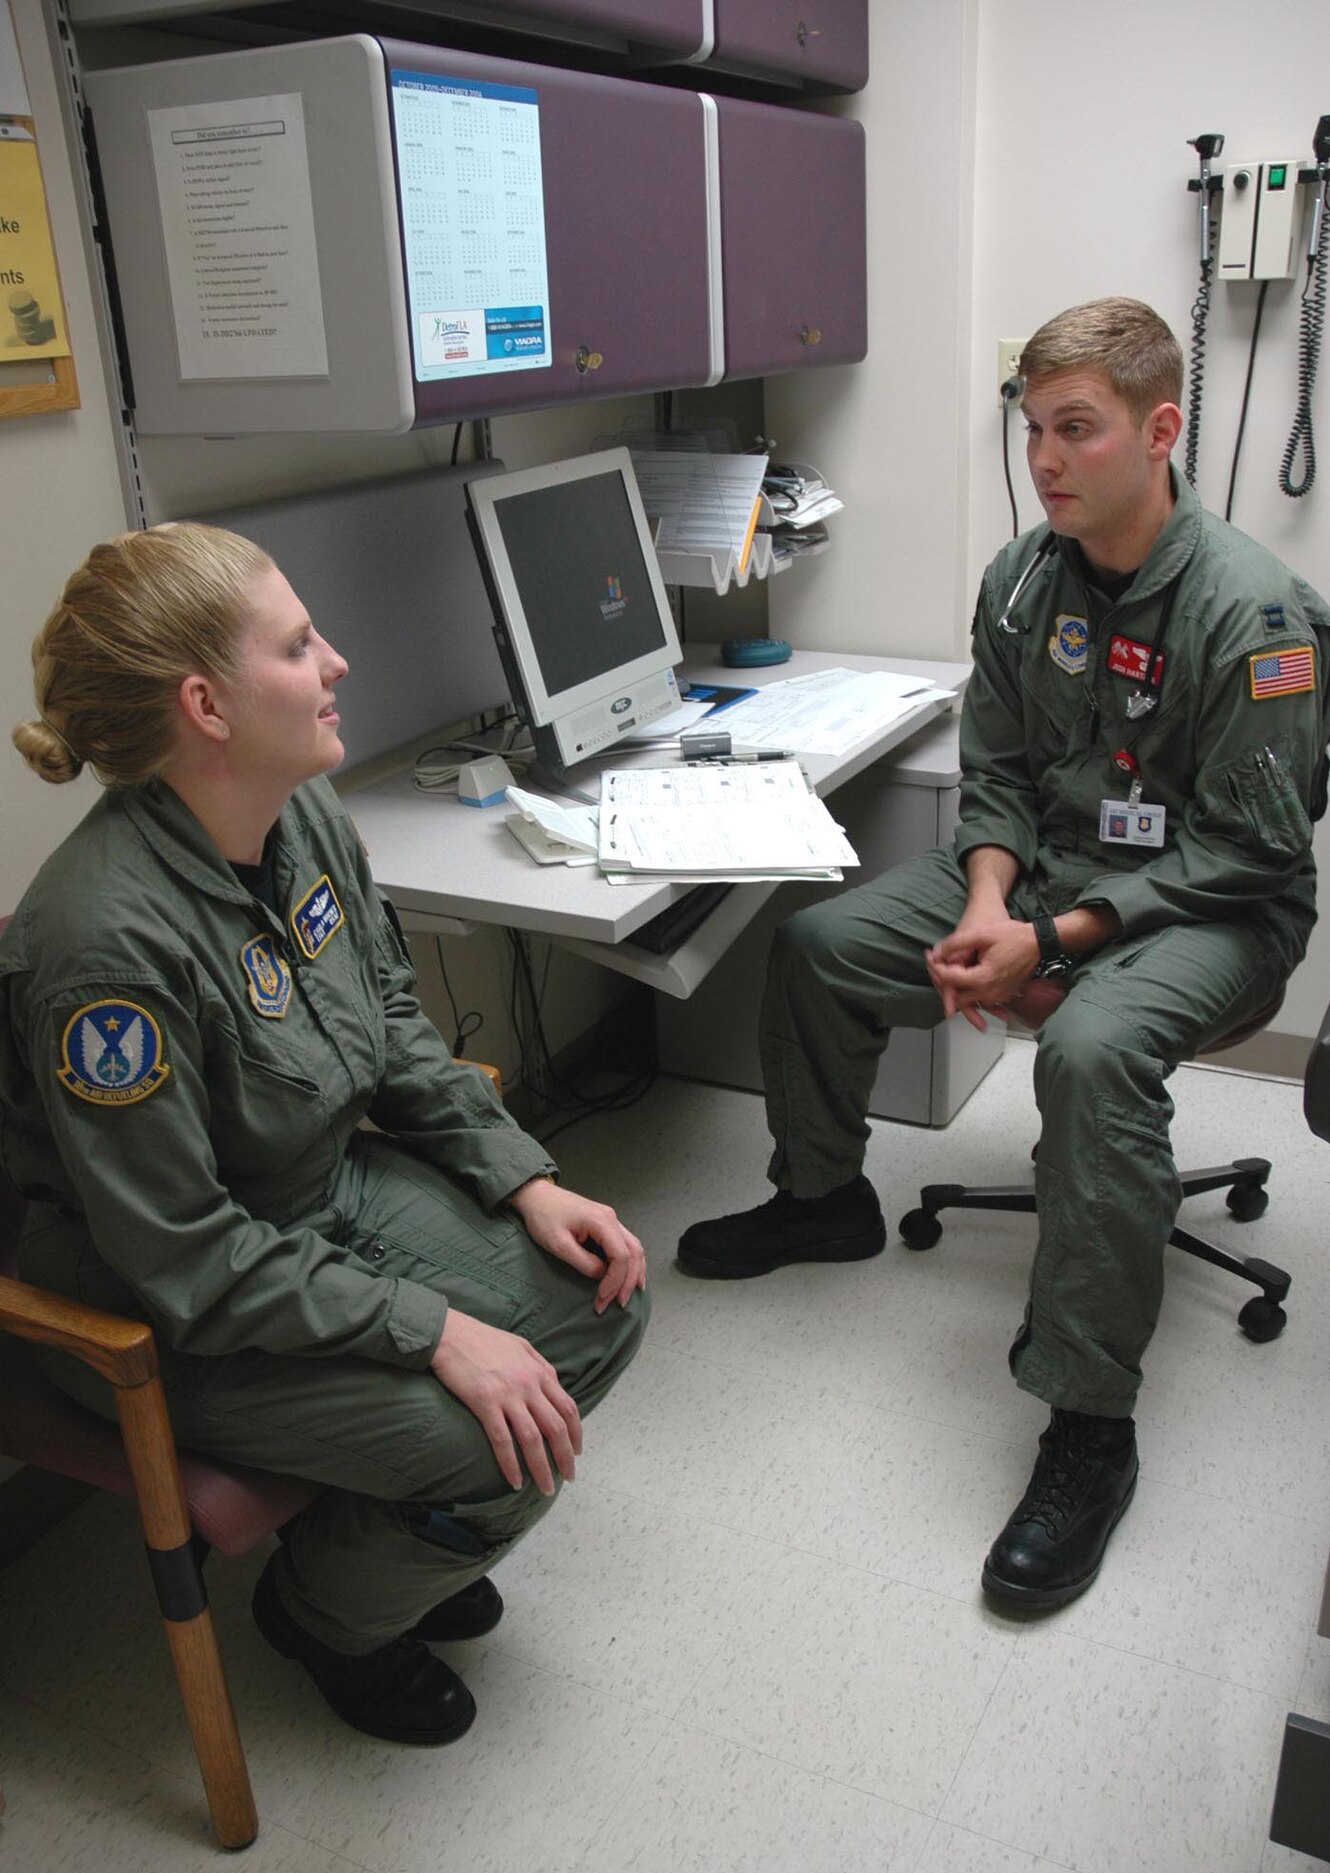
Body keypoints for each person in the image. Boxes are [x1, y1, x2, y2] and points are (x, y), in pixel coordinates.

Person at [678, 297, 1330, 1611]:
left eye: (1074, 429)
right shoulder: (1024, 579)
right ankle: (821, 1197)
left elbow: (1242, 854)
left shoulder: (1251, 617)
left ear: (1159, 431)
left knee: (1087, 1050)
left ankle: (1089, 1424)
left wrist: (1054, 939)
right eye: (1031, 428)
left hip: (1212, 910)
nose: (1044, 459)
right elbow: (998, 773)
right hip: (1042, 876)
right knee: (817, 944)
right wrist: (987, 905)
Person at [0, 522, 648, 1742]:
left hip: (315, 1197)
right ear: (207, 703)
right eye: (299, 644)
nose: (337, 661)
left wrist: (524, 1180)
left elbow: (393, 1027)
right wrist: (436, 1328)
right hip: (169, 1301)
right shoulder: (103, 952)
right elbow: (182, 1254)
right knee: (495, 1436)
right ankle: (327, 1614)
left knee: (600, 1297)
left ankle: (388, 1546)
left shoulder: (297, 815)